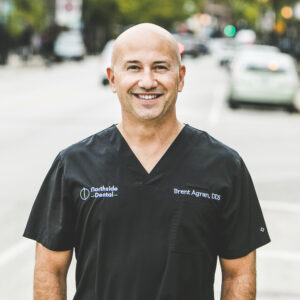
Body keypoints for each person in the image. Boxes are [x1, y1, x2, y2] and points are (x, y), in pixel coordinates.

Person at [24, 23, 270, 300]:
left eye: (161, 67)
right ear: (113, 79)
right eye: (133, 67)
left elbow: (239, 273)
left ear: (181, 77)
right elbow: (50, 271)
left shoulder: (225, 167)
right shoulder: (73, 165)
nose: (148, 81)